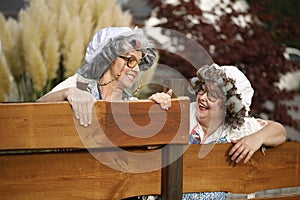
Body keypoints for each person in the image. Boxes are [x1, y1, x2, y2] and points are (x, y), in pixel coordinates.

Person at [182, 63, 287, 199]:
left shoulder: (235, 129)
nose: (202, 97)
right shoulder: (184, 114)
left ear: (229, 105)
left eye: (212, 95)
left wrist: (257, 138)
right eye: (202, 89)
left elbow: (279, 130)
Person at [37, 27, 172, 126]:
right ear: (109, 58)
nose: (136, 69)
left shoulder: (132, 103)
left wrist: (155, 107)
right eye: (130, 60)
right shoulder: (78, 84)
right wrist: (67, 93)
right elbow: (34, 110)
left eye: (139, 63)